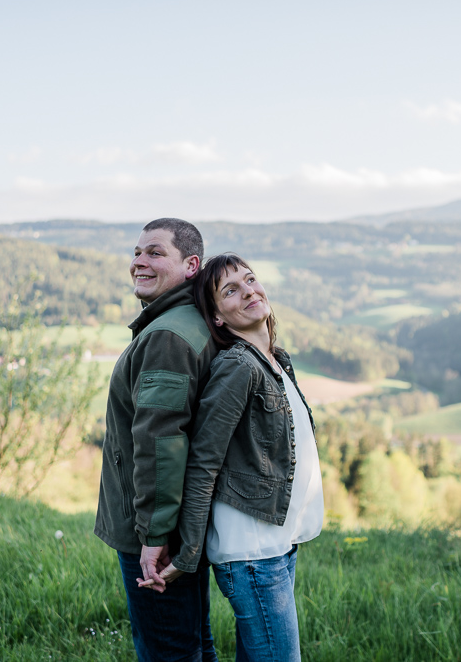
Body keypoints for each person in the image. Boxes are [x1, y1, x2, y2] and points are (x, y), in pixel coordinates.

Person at [145, 253, 324, 662]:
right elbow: (202, 463)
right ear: (217, 318)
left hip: (275, 545)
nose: (248, 291)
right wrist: (189, 551)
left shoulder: (276, 360)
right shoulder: (237, 367)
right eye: (230, 291)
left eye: (250, 280)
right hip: (252, 553)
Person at [93, 218, 219, 662]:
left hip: (155, 530)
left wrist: (153, 534)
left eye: (155, 253)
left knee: (168, 652)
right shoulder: (184, 321)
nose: (139, 262)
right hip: (176, 523)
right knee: (193, 642)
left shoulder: (167, 336)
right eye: (137, 252)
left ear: (191, 265)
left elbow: (161, 442)